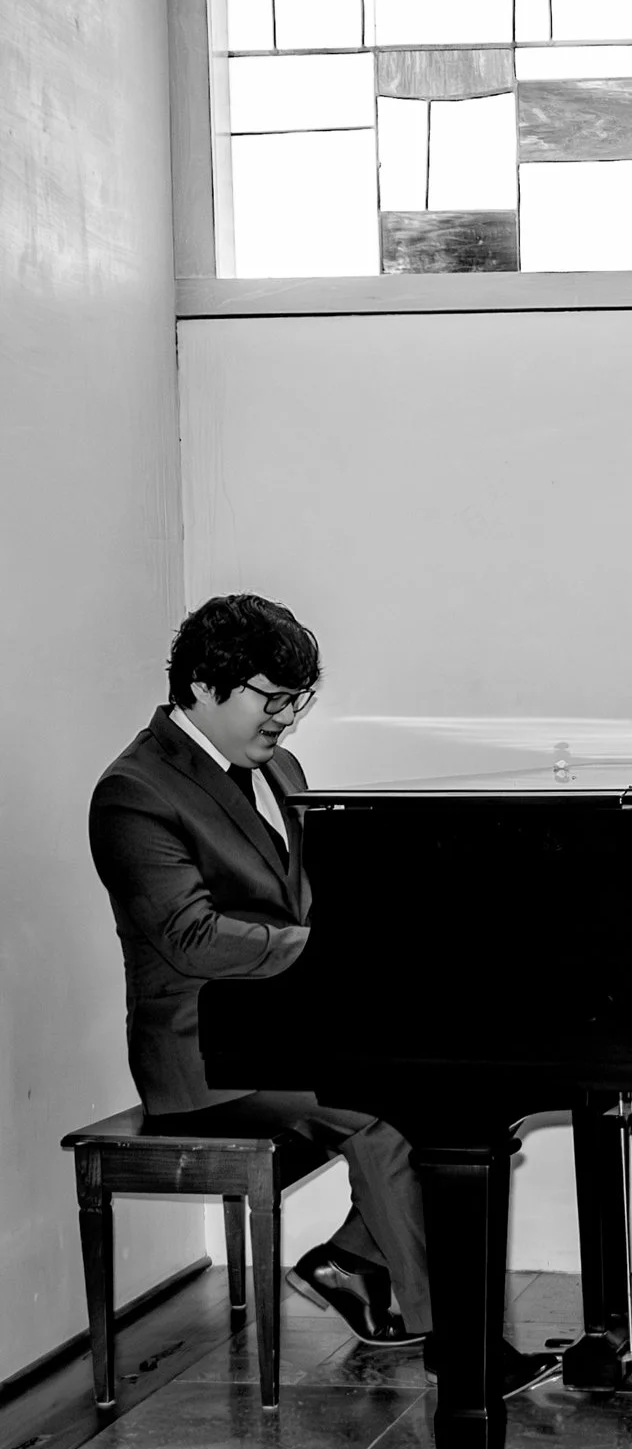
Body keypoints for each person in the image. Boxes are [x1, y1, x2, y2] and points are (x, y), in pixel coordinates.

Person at [89, 596, 552, 1392]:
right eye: (272, 698)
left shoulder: (280, 769)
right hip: (201, 1058)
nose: (287, 718)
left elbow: (310, 898)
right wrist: (333, 955)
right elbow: (192, 937)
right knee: (384, 1115)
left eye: (297, 700)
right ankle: (459, 1353)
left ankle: (353, 1262)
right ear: (202, 685)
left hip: (288, 1029)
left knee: (454, 1088)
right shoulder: (134, 790)